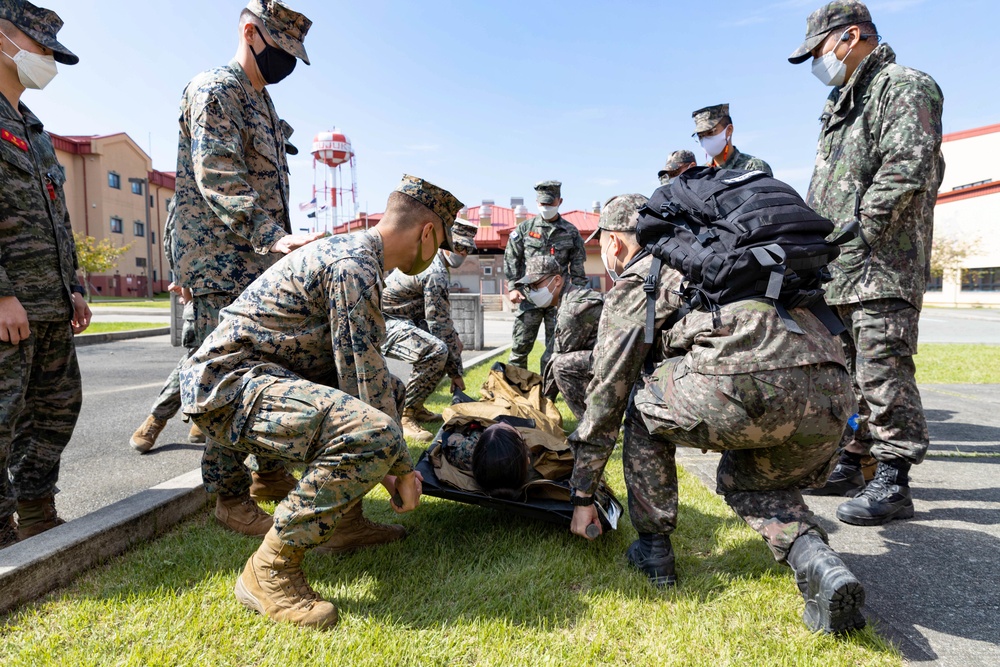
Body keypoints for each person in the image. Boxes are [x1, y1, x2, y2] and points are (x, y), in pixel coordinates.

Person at [567, 195, 866, 634]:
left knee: (641, 407)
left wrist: (582, 495)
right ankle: (817, 562)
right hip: (831, 397)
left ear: (613, 243)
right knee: (751, 479)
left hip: (750, 387)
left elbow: (606, 394)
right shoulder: (722, 259)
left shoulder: (643, 279)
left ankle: (654, 550)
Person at [180, 174, 462, 628]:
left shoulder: (357, 255)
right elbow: (362, 377)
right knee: (374, 432)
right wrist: (401, 471)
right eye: (441, 243)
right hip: (229, 386)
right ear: (428, 232)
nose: (437, 254)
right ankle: (268, 570)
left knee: (388, 397)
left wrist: (392, 466)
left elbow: (365, 378)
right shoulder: (354, 266)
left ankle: (345, 524)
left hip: (255, 377)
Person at [153, 0, 327, 536]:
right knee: (224, 378)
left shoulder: (263, 103)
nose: (286, 62)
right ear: (250, 32)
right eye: (280, 48)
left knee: (266, 369)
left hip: (256, 262)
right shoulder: (216, 89)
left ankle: (266, 473)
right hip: (222, 261)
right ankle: (229, 497)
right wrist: (273, 237)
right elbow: (218, 174)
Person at [788, 0, 944, 527]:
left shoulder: (903, 86)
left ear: (850, 36)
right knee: (851, 376)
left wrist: (863, 228)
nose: (817, 62)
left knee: (883, 370)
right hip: (840, 269)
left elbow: (907, 166)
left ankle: (895, 479)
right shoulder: (840, 102)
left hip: (882, 264)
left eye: (818, 50)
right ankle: (855, 461)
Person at [130, 115, 299, 455]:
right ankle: (157, 419)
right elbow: (180, 223)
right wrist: (183, 275)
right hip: (214, 276)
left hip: (258, 279)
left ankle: (210, 429)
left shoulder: (269, 185)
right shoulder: (218, 169)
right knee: (201, 357)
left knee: (248, 361)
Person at [0, 0, 90, 547]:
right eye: (42, 48)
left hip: (50, 303)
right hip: (9, 304)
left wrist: (73, 286)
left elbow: (58, 215)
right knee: (2, 416)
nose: (49, 62)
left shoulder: (33, 128)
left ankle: (36, 509)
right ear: (4, 38)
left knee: (58, 406)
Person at [381, 218, 478, 442]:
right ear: (446, 243)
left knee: (451, 345)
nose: (462, 253)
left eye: (467, 249)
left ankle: (416, 406)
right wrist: (456, 373)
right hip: (381, 323)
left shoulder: (436, 263)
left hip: (406, 319)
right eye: (458, 246)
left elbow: (442, 324)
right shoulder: (435, 272)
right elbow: (439, 325)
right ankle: (405, 415)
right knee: (437, 350)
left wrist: (455, 353)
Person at [504, 180, 587, 373]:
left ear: (560, 201)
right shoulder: (525, 229)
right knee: (519, 348)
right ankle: (515, 387)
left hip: (558, 300)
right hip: (529, 297)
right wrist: (513, 287)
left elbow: (577, 267)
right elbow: (512, 258)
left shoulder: (570, 231)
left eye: (550, 203)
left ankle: (548, 387)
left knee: (556, 349)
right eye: (543, 203)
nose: (546, 207)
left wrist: (579, 295)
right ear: (536, 202)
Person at [515, 255, 603, 421]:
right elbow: (549, 356)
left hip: (621, 366)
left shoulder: (572, 309)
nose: (532, 292)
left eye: (536, 285)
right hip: (610, 360)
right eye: (529, 287)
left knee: (562, 367)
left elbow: (557, 360)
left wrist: (538, 409)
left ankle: (594, 425)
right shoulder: (568, 299)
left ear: (556, 280)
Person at [691, 104, 772, 176]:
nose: (705, 139)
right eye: (700, 136)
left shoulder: (753, 167)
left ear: (729, 130)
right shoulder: (701, 174)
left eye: (710, 132)